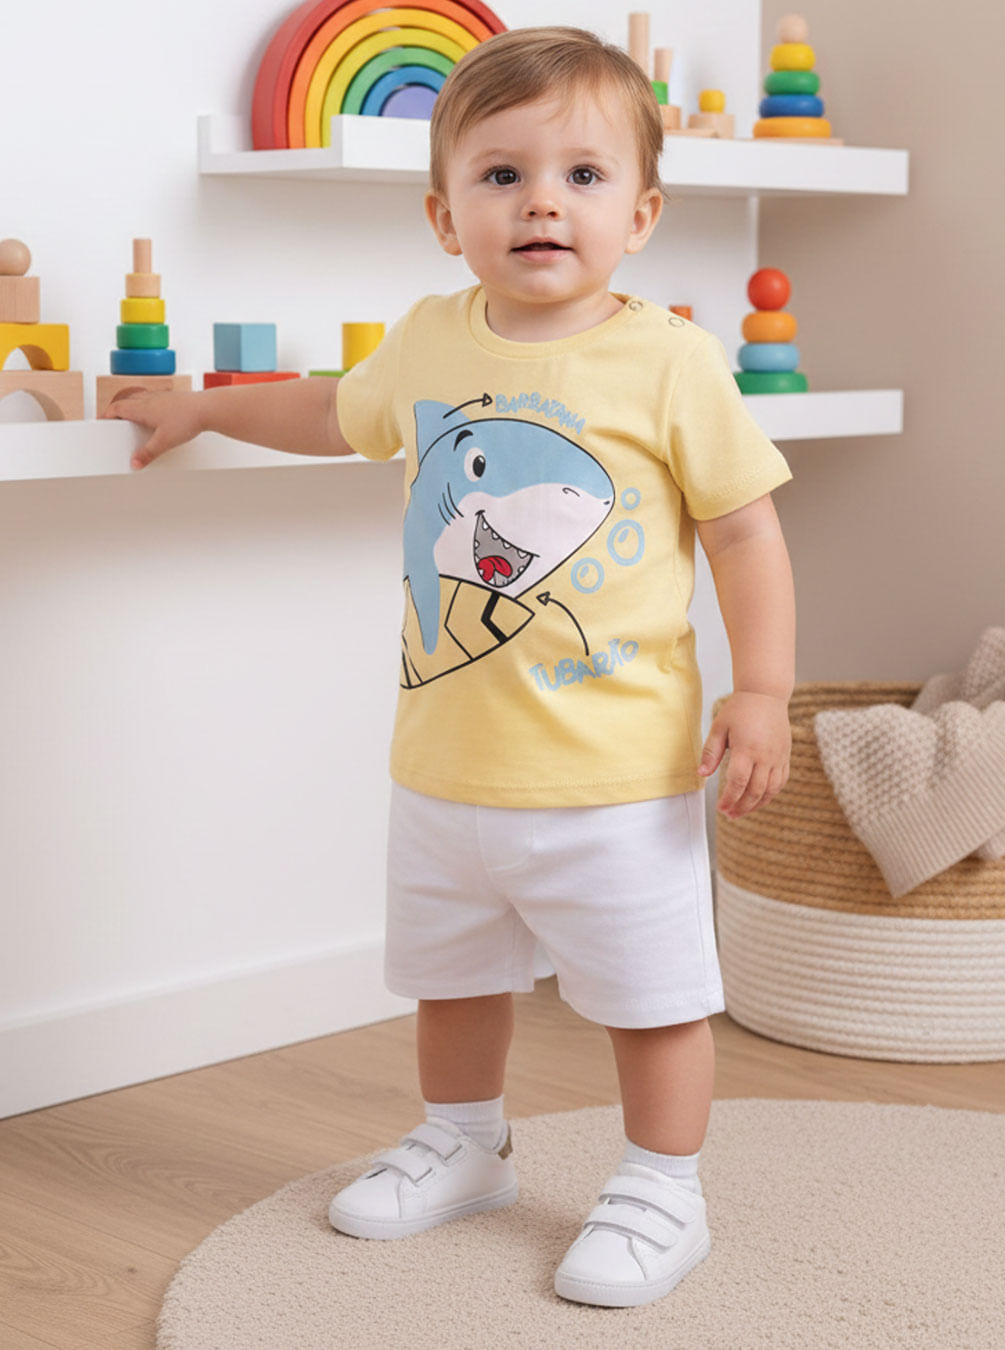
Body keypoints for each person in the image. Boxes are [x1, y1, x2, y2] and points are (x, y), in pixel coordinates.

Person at [107, 25, 796, 1309]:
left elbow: (746, 532)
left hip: (615, 775)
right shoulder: (431, 339)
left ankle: (663, 1188)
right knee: (453, 979)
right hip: (444, 764)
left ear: (641, 214)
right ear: (444, 217)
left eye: (582, 176)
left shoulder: (672, 362)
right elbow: (330, 411)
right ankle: (464, 1143)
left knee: (652, 1001)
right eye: (502, 175)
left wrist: (762, 691)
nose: (542, 202)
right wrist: (205, 405)